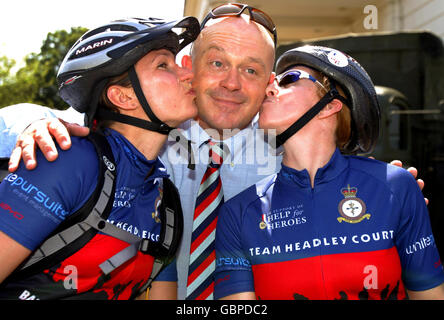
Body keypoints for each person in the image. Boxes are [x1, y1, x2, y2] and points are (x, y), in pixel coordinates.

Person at [0, 3, 426, 299]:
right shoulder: (134, 134)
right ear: (189, 69)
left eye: (252, 70)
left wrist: (389, 190)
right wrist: (37, 125)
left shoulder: (288, 152)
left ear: (269, 86)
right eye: (218, 63)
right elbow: (74, 107)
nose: (232, 84)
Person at [214, 45, 444, 300]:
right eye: (272, 81)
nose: (269, 89)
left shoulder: (397, 186)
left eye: (288, 79)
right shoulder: (238, 212)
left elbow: (429, 294)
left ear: (330, 106)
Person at [0, 16, 201, 300]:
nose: (188, 74)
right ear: (123, 97)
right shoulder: (67, 161)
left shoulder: (165, 200)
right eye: (163, 65)